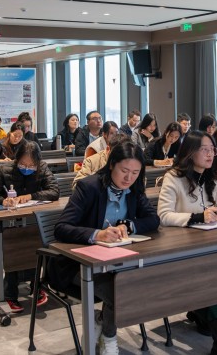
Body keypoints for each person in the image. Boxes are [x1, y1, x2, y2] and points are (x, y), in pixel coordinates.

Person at [49, 141, 160, 354]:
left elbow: (153, 219)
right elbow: (61, 228)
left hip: (118, 261)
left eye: (135, 172)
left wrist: (129, 225)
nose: (129, 178)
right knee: (120, 292)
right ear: (111, 165)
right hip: (80, 265)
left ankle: (103, 324)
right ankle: (109, 337)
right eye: (124, 171)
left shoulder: (134, 188)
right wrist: (97, 234)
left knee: (144, 285)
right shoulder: (89, 187)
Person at [157, 131, 217, 355]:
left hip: (211, 240)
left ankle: (206, 315)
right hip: (181, 246)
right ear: (190, 152)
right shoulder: (174, 177)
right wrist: (197, 217)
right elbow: (163, 215)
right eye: (204, 150)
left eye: (212, 150)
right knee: (209, 269)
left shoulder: (214, 176)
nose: (210, 154)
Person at [0, 141, 59, 312]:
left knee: (36, 237)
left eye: (31, 165)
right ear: (17, 160)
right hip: (4, 224)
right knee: (16, 240)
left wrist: (31, 196)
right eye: (23, 164)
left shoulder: (42, 168)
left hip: (31, 222)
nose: (27, 168)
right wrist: (3, 200)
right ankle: (10, 293)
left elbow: (54, 191)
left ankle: (37, 286)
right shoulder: (4, 170)